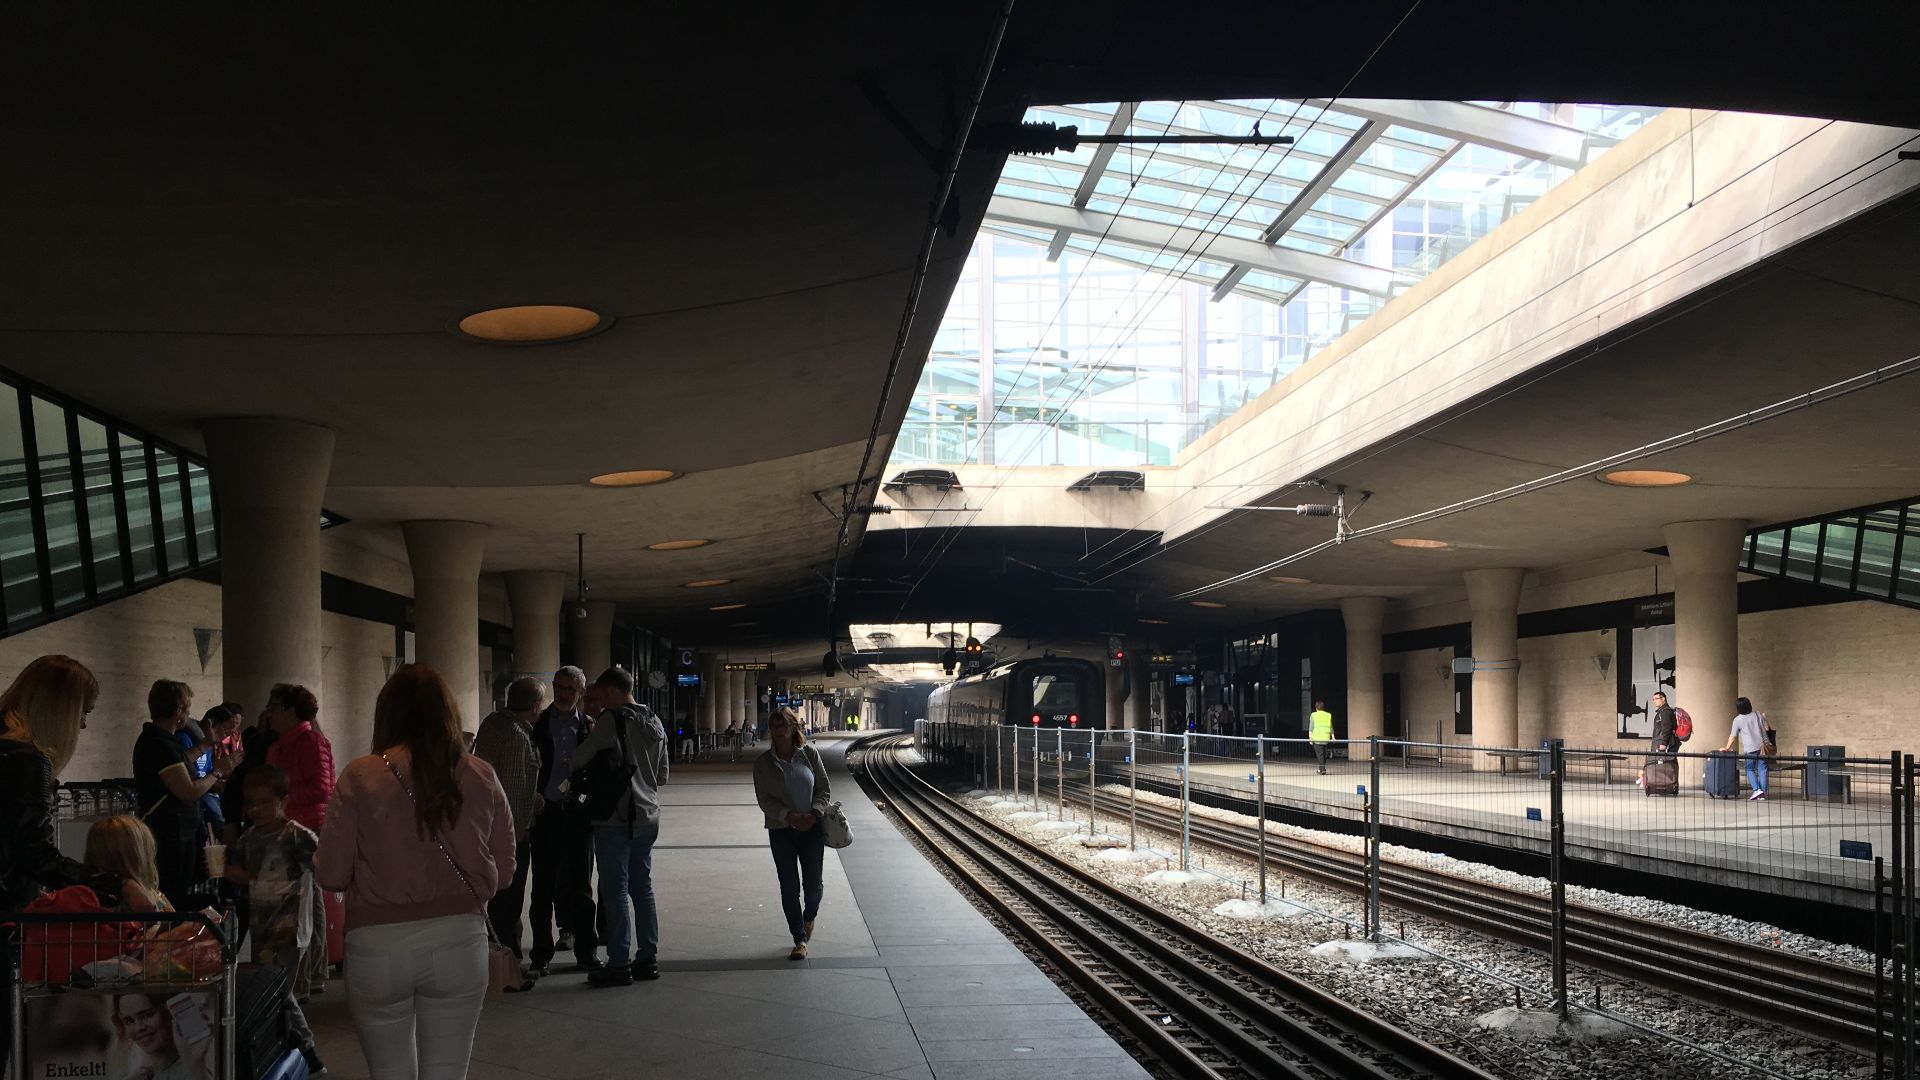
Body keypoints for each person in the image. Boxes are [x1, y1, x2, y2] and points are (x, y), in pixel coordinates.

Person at [317, 664, 514, 1080]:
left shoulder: (360, 775)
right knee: (448, 1071)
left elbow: (331, 874)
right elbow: (506, 871)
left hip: (376, 945)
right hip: (459, 941)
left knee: (389, 1072)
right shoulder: (481, 774)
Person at [566, 667, 669, 987]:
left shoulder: (612, 719)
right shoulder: (654, 720)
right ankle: (647, 958)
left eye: (600, 695)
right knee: (642, 888)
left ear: (610, 691)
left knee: (616, 891)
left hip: (616, 819)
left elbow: (578, 758)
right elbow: (663, 775)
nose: (598, 701)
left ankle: (619, 963)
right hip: (648, 816)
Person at [220, 765, 324, 1072]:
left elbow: (318, 870)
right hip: (262, 928)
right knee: (273, 993)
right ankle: (286, 1049)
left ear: (283, 801)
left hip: (290, 928)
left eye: (265, 802)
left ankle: (307, 1051)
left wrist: (248, 879)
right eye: (251, 803)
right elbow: (243, 873)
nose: (256, 810)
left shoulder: (297, 836)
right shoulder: (250, 838)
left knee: (278, 992)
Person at [0, 655, 108, 909]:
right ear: (60, 709)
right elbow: (38, 857)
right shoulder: (27, 761)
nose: (82, 725)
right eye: (83, 712)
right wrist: (116, 884)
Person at [134, 680, 232, 909]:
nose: (189, 713)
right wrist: (218, 772)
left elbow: (181, 762)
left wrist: (206, 744)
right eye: (187, 707)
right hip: (170, 835)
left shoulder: (163, 740)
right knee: (174, 896)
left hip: (177, 832)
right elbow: (188, 791)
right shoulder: (159, 743)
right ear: (178, 710)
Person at [264, 684, 334, 999]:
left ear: (291, 711)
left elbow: (322, 788)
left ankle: (308, 974)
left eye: (274, 707)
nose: (269, 713)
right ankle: (309, 972)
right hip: (285, 827)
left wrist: (281, 802)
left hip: (306, 828)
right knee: (304, 901)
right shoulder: (278, 746)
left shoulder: (311, 742)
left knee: (305, 901)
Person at [529, 665, 599, 975]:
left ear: (580, 692)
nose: (563, 693)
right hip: (546, 814)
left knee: (581, 887)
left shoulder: (589, 726)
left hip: (577, 815)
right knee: (543, 886)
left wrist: (585, 801)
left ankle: (586, 951)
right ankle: (540, 955)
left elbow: (595, 772)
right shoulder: (538, 724)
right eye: (559, 686)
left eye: (570, 689)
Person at [474, 676, 542, 976]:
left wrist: (533, 795)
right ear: (535, 705)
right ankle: (508, 965)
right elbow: (512, 789)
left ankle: (494, 957)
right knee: (508, 899)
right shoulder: (516, 735)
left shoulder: (492, 722)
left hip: (485, 823)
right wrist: (517, 832)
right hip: (508, 832)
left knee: (499, 897)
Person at [754, 707, 833, 960]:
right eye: (773, 726)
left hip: (811, 829)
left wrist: (814, 814)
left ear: (792, 727)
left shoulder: (809, 755)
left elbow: (823, 789)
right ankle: (799, 939)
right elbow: (764, 799)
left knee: (813, 887)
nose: (777, 731)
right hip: (781, 831)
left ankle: (809, 916)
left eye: (782, 726)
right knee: (789, 887)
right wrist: (788, 815)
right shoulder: (763, 764)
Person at [113, 992, 214, 1080]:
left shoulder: (195, 1070)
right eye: (129, 1021)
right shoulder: (140, 1075)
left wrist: (196, 1068)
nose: (138, 1028)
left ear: (168, 1013)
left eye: (147, 1015)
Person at [1721, 697, 1770, 801]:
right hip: (1762, 746)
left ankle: (1757, 790)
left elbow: (1733, 736)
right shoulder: (1757, 714)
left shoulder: (1737, 720)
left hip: (1750, 748)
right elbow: (1765, 729)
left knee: (1749, 769)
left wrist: (1727, 747)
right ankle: (1763, 792)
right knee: (1763, 769)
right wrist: (1766, 743)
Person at [1638, 691, 1679, 788]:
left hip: (1665, 745)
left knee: (1665, 766)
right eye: (1653, 699)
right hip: (1661, 743)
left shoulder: (1665, 712)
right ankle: (1661, 785)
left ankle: (1666, 786)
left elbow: (1667, 728)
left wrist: (1663, 743)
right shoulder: (1662, 711)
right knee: (1662, 766)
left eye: (1656, 699)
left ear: (1663, 699)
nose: (1654, 701)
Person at [1307, 700, 1334, 775]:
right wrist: (1333, 737)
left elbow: (1311, 727)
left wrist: (1310, 738)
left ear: (1316, 708)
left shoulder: (1313, 715)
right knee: (1323, 755)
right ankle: (1321, 769)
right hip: (1326, 738)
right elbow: (1331, 727)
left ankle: (1322, 770)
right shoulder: (1328, 715)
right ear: (1323, 707)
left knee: (1320, 755)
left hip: (1317, 738)